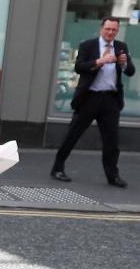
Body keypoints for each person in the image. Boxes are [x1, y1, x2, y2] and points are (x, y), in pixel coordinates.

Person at [51, 17, 134, 188]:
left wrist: (125, 64)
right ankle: (57, 168)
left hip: (110, 99)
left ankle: (113, 176)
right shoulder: (88, 45)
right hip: (89, 97)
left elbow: (131, 72)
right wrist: (99, 61)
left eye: (114, 30)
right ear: (101, 29)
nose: (110, 32)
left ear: (117, 30)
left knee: (112, 141)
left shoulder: (121, 47)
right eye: (107, 29)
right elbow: (79, 67)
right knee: (72, 134)